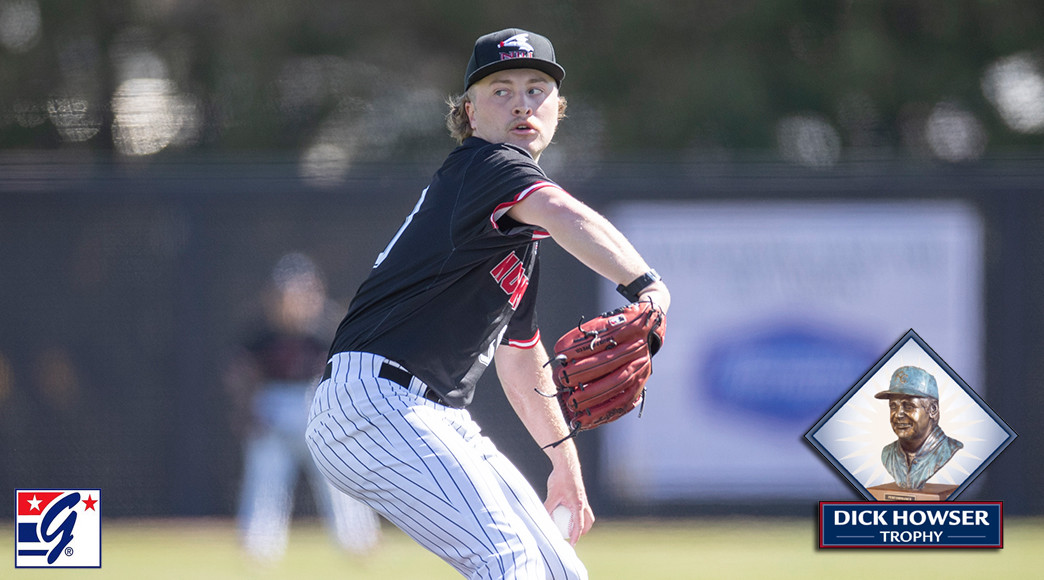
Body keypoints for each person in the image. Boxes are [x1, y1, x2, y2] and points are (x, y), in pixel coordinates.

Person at [306, 28, 670, 579]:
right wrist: (646, 285)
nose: (522, 102)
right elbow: (565, 214)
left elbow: (521, 357)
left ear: (557, 109)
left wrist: (564, 465)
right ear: (470, 113)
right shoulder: (487, 165)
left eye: (536, 89)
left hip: (427, 413)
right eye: (501, 90)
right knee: (508, 563)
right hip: (378, 404)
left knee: (559, 573)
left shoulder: (515, 234)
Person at [226, 253, 380, 563]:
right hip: (272, 407)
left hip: (316, 406)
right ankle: (259, 546)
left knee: (337, 473)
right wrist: (245, 410)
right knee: (266, 475)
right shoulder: (260, 331)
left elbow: (347, 371)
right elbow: (241, 372)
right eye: (288, 293)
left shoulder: (327, 327)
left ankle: (357, 541)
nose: (295, 299)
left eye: (303, 291)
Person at [875, 366, 964, 490]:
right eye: (893, 406)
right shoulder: (888, 454)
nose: (898, 414)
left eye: (909, 406)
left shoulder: (949, 449)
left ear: (933, 410)